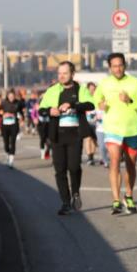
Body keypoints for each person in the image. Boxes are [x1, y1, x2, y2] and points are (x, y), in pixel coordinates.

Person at [96, 53, 137, 214]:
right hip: (112, 129)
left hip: (131, 130)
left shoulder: (136, 83)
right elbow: (96, 99)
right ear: (109, 68)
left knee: (130, 165)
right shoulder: (104, 83)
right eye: (114, 66)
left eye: (120, 65)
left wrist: (130, 100)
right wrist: (100, 104)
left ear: (125, 66)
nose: (118, 69)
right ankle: (115, 200)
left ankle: (129, 195)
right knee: (114, 162)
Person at [39, 62, 95, 215]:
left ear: (72, 74)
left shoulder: (80, 89)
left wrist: (72, 105)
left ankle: (75, 192)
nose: (61, 76)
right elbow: (41, 110)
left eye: (65, 73)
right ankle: (65, 202)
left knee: (74, 167)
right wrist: (50, 111)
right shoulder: (52, 91)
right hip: (57, 135)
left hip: (75, 134)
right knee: (60, 170)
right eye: (59, 73)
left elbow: (91, 105)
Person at [0, 89, 23, 168]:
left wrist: (17, 116)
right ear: (7, 96)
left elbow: (21, 113)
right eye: (10, 96)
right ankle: (7, 153)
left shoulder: (18, 103)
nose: (11, 98)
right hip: (5, 125)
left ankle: (11, 161)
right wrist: (3, 115)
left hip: (14, 125)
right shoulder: (3, 103)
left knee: (13, 142)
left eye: (13, 96)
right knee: (6, 143)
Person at [83, 81, 100, 166]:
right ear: (88, 89)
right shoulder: (85, 97)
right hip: (86, 122)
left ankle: (92, 156)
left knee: (94, 140)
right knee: (88, 139)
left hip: (96, 123)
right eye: (91, 89)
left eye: (94, 89)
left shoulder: (98, 98)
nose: (92, 91)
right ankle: (89, 157)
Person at [34, 89, 51, 160]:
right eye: (42, 95)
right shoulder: (37, 103)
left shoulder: (50, 102)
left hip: (48, 122)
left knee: (50, 139)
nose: (43, 96)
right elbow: (33, 113)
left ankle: (48, 150)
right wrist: (35, 118)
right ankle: (42, 153)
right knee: (42, 138)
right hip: (40, 123)